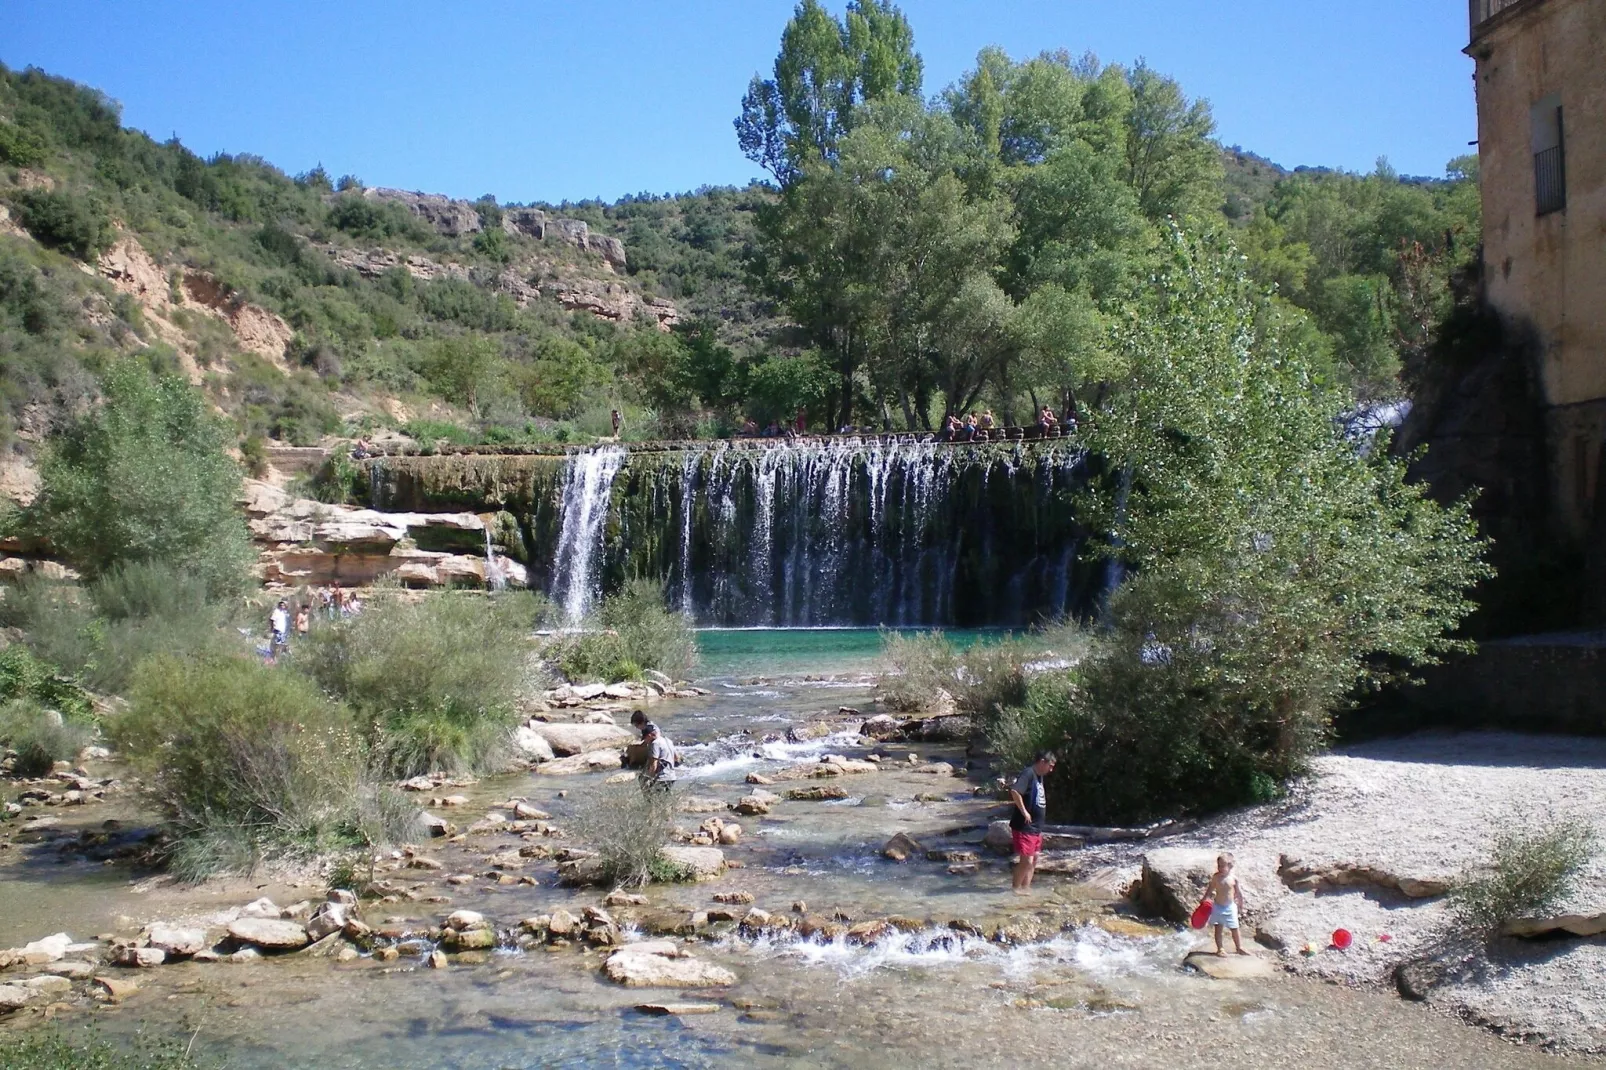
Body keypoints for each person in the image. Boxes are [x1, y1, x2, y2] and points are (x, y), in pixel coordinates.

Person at [1008, 752, 1056, 894]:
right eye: (1050, 766)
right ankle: (1015, 890)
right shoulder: (1028, 773)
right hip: (1025, 826)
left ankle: (1026, 889)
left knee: (1034, 859)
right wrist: (1024, 812)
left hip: (1036, 827)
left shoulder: (1039, 777)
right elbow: (1015, 791)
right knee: (1027, 861)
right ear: (1042, 761)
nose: (1051, 770)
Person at [1205, 852, 1248, 956]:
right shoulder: (1216, 877)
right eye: (1218, 866)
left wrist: (1241, 904)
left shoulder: (1233, 878)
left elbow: (1238, 893)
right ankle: (1220, 949)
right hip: (1218, 906)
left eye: (1222, 866)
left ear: (1230, 866)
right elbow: (1210, 888)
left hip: (1230, 906)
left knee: (1235, 928)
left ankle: (1239, 947)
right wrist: (1205, 898)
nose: (1219, 868)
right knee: (1218, 928)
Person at [638, 721, 678, 793]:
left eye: (645, 738)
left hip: (661, 777)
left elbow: (654, 764)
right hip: (672, 776)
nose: (645, 741)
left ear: (649, 735)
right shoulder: (668, 740)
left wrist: (650, 778)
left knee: (652, 796)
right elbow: (676, 758)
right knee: (665, 798)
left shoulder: (655, 743)